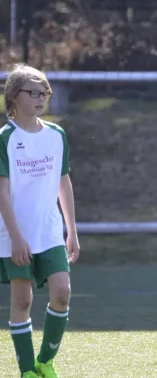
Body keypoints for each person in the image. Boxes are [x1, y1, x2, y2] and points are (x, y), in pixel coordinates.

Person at [0, 64, 80, 378]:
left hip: (49, 231)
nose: (40, 98)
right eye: (32, 92)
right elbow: (2, 193)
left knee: (62, 293)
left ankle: (45, 362)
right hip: (13, 233)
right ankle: (26, 370)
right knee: (22, 299)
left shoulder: (56, 135)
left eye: (44, 92)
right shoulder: (5, 138)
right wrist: (16, 237)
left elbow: (64, 182)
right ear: (13, 96)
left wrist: (71, 230)